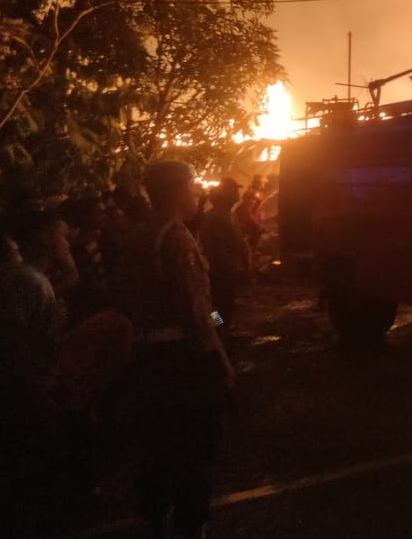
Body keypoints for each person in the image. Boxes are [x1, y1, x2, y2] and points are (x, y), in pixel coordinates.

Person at [121, 160, 234, 539]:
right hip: (183, 361)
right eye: (191, 185)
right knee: (193, 448)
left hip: (144, 355)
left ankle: (156, 519)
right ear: (174, 191)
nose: (197, 193)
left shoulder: (136, 236)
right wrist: (221, 345)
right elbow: (201, 310)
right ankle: (191, 526)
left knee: (154, 447)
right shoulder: (178, 239)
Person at [200, 178, 249, 327]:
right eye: (234, 190)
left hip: (229, 268)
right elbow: (215, 247)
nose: (238, 193)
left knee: (227, 301)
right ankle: (217, 328)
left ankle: (224, 327)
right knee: (217, 303)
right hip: (218, 270)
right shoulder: (214, 218)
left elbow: (238, 241)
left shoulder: (230, 215)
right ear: (225, 194)